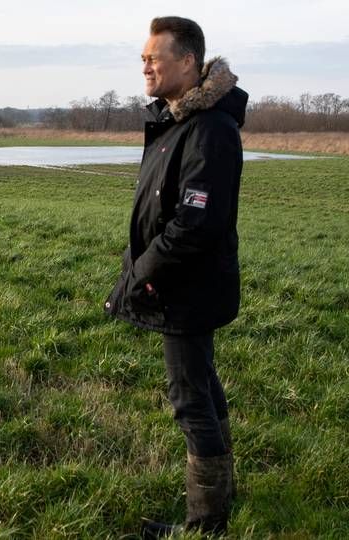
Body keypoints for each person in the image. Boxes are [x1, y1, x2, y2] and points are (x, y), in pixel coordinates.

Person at [103, 16, 248, 537]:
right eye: (143, 56)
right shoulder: (177, 121)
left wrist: (141, 275)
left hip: (186, 286)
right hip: (179, 282)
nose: (145, 64)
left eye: (154, 56)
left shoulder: (209, 129)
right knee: (203, 384)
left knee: (190, 398)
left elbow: (194, 223)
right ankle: (225, 495)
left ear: (188, 63)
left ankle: (205, 524)